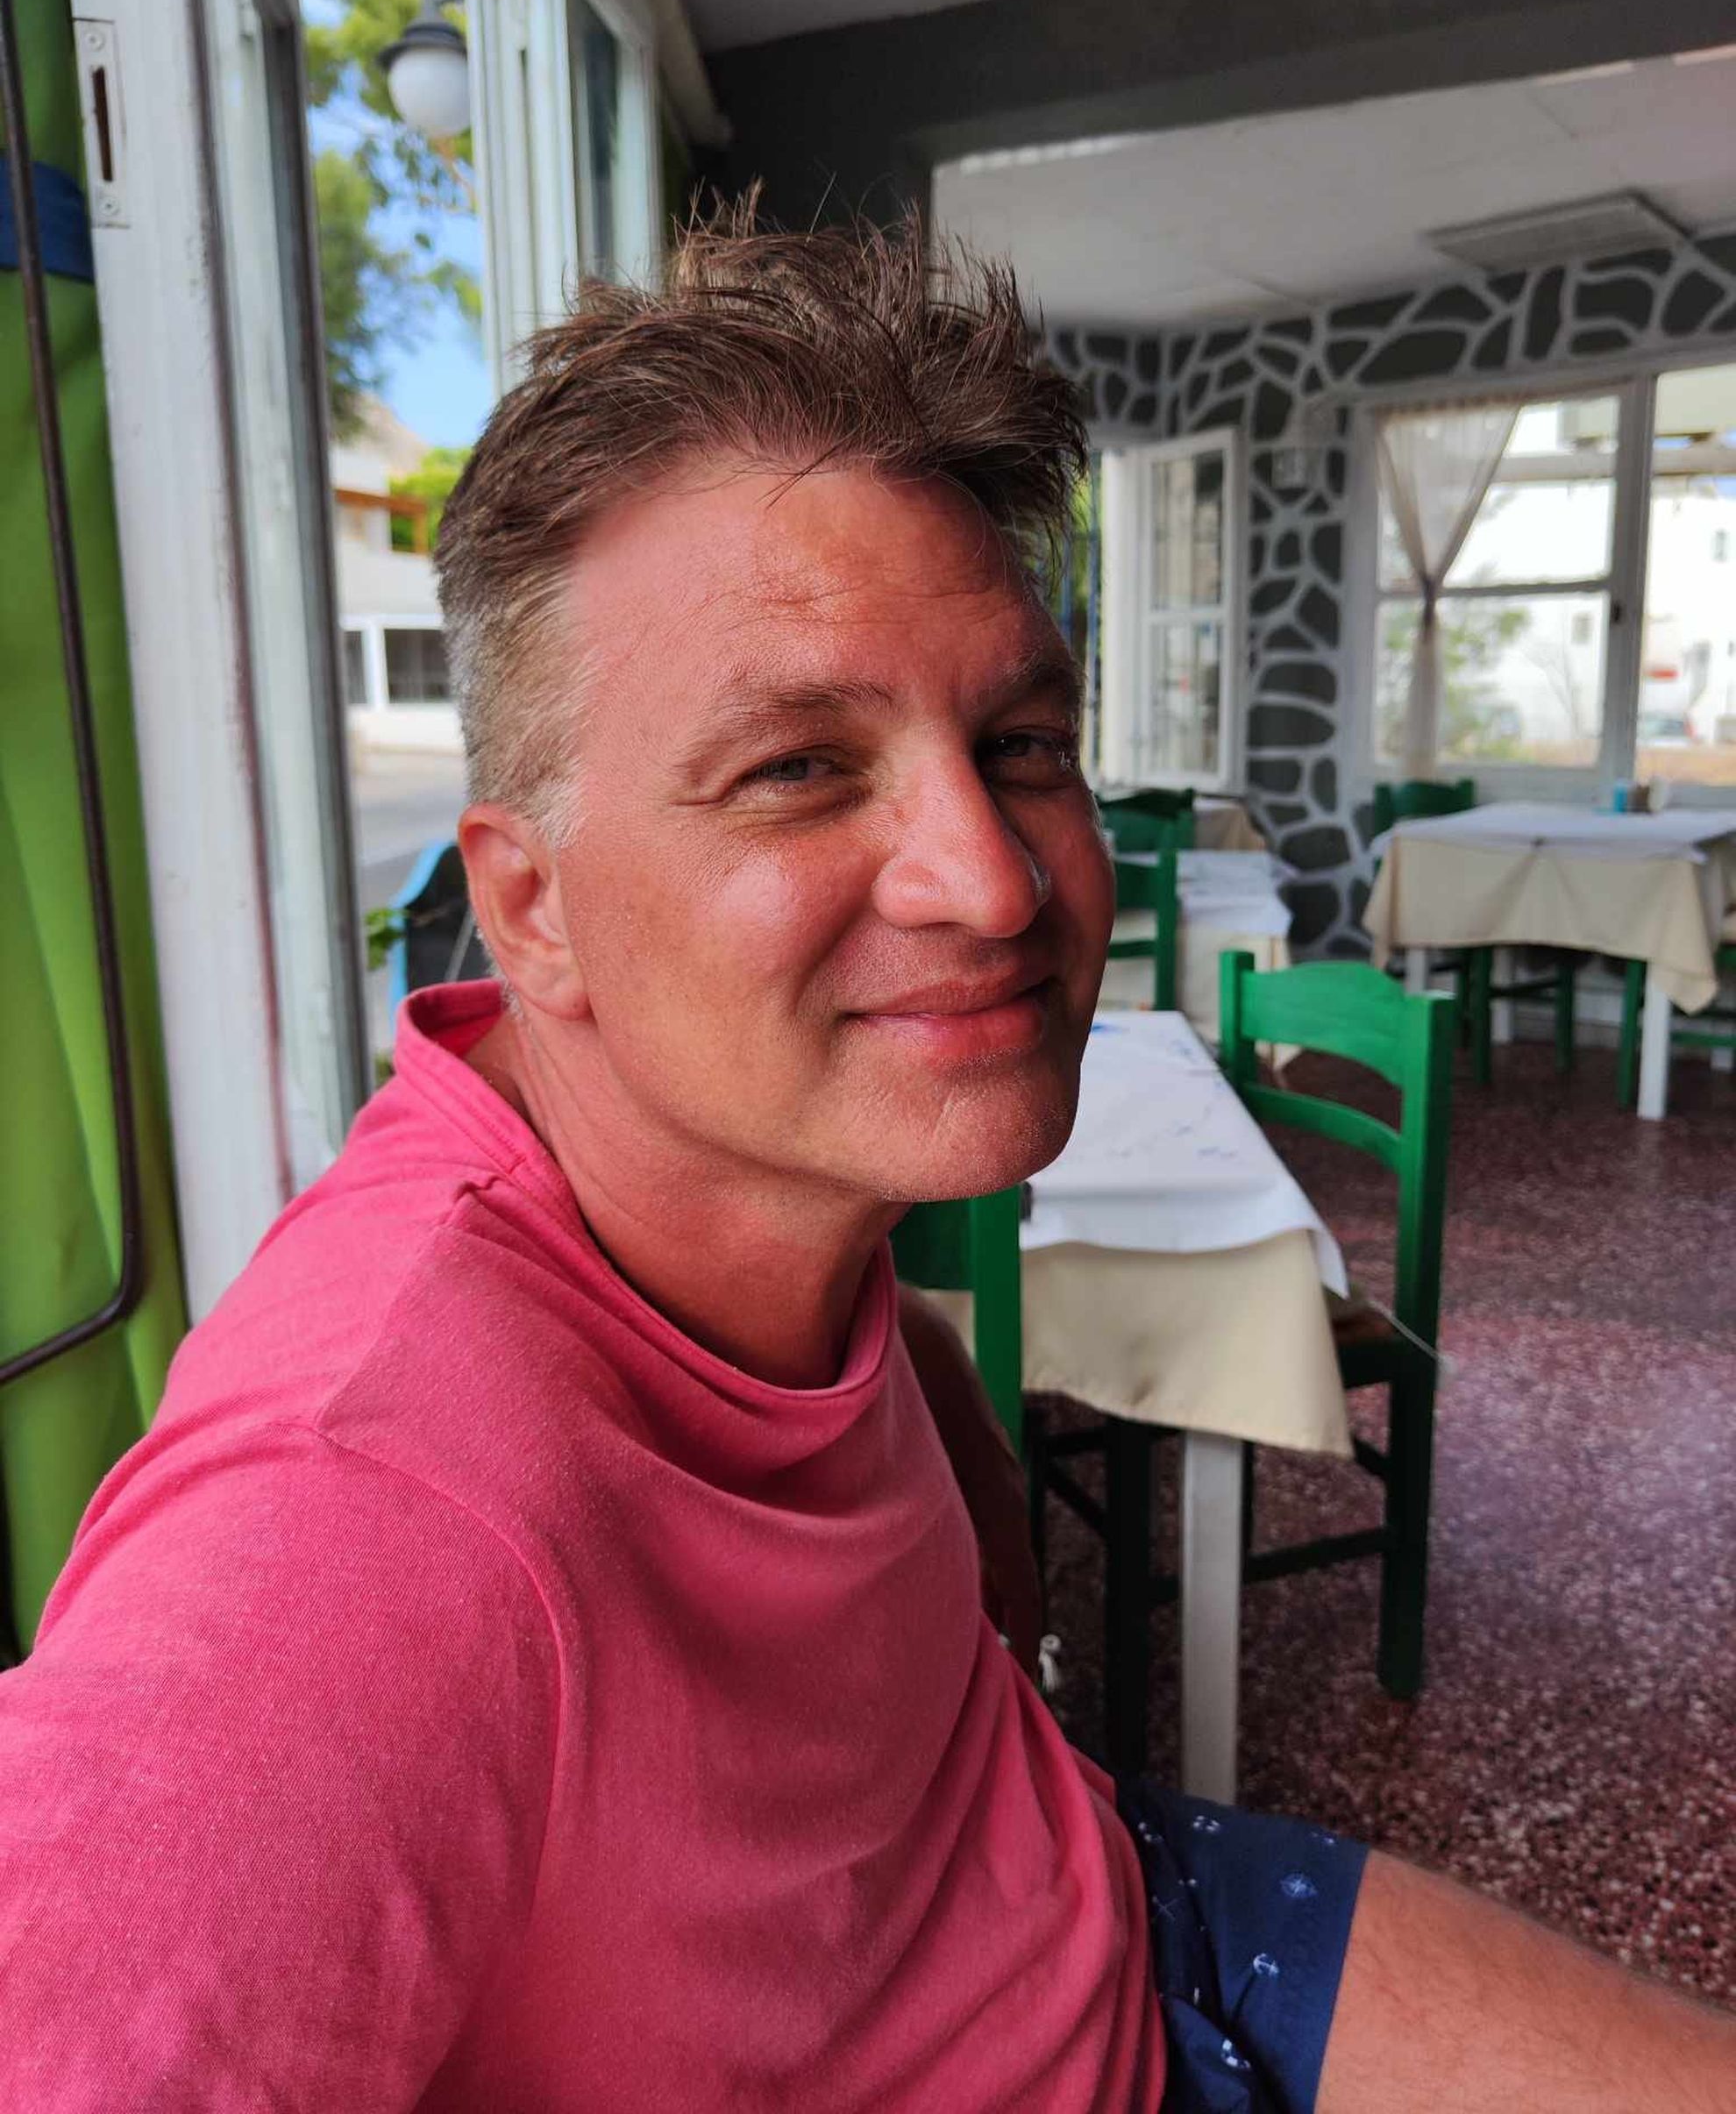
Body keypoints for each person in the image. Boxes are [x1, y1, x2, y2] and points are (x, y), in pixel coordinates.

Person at [0, 206, 1730, 2114]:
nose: (993, 882)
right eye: (799, 768)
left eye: (1025, 742)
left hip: (1116, 1907)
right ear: (532, 905)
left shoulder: (741, 1193)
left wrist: (971, 1504)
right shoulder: (358, 1534)